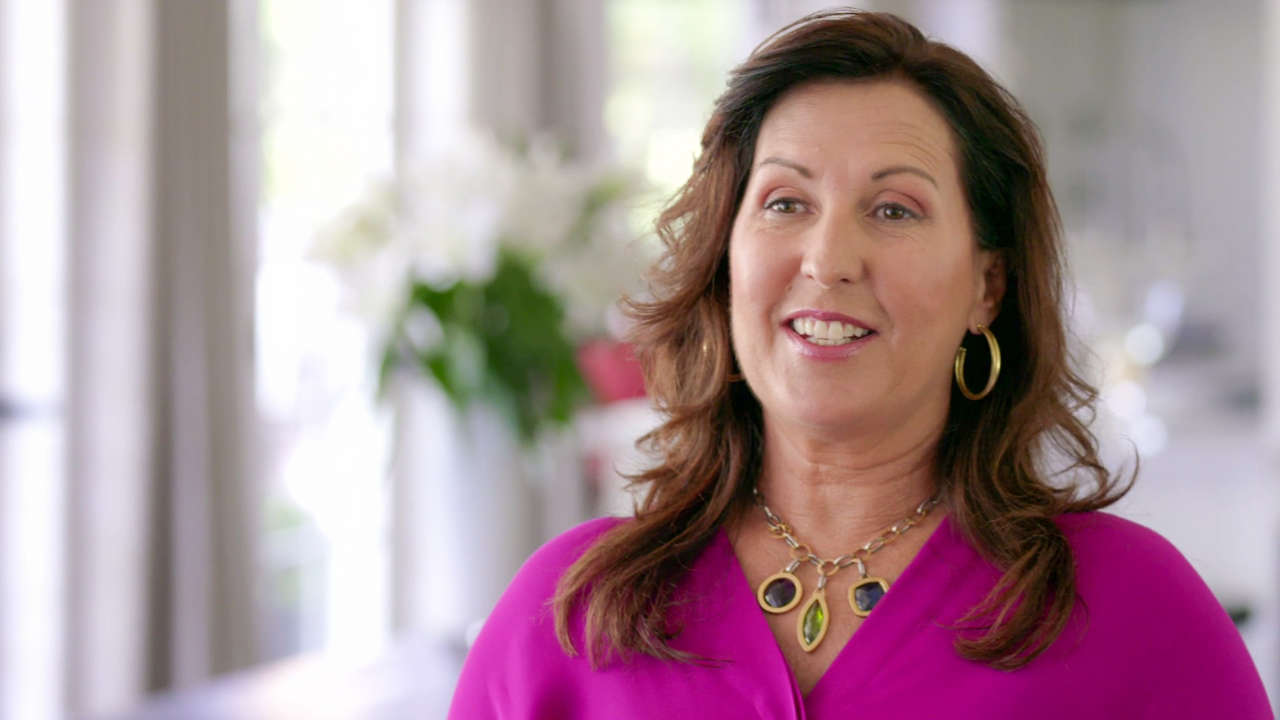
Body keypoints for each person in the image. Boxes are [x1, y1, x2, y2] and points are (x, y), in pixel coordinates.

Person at [448, 9, 1273, 718]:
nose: (828, 259)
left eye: (894, 210)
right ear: (726, 260)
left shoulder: (1133, 610)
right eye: (785, 202)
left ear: (987, 286)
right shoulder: (569, 613)